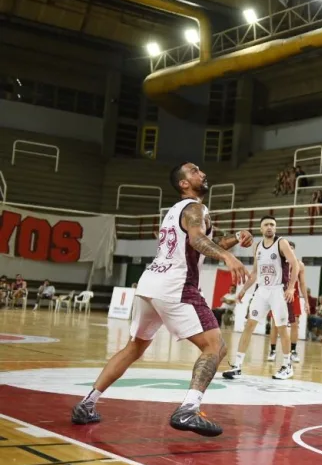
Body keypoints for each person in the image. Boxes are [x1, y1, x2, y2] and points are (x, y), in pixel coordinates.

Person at [71, 162, 252, 436]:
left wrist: (234, 239)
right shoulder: (196, 208)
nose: (202, 173)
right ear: (184, 183)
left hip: (150, 283)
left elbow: (199, 242)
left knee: (134, 347)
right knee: (215, 347)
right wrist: (227, 256)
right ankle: (188, 409)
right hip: (176, 285)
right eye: (194, 171)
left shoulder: (176, 211)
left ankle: (87, 404)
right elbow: (196, 240)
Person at [222, 216, 300, 381]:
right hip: (262, 291)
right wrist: (243, 290)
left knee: (281, 328)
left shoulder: (281, 243)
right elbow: (255, 273)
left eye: (272, 224)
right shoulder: (257, 247)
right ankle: (237, 366)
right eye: (266, 225)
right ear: (261, 229)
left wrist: (292, 287)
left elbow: (295, 264)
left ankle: (287, 366)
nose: (270, 227)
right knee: (249, 324)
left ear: (275, 228)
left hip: (278, 290)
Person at [267, 241, 309, 363]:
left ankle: (293, 351)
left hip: (293, 295)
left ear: (294, 250)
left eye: (291, 249)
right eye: (287, 248)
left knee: (295, 324)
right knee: (275, 324)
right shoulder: (277, 263)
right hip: (278, 294)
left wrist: (306, 301)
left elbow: (302, 283)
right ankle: (273, 350)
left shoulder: (299, 265)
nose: (289, 250)